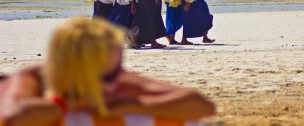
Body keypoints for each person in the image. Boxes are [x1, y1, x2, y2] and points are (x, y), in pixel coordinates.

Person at [0, 17, 216, 126]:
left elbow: (201, 105)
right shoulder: (34, 76)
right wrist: (73, 102)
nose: (114, 80)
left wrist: (127, 104)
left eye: (118, 67)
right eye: (108, 75)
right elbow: (13, 116)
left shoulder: (114, 79)